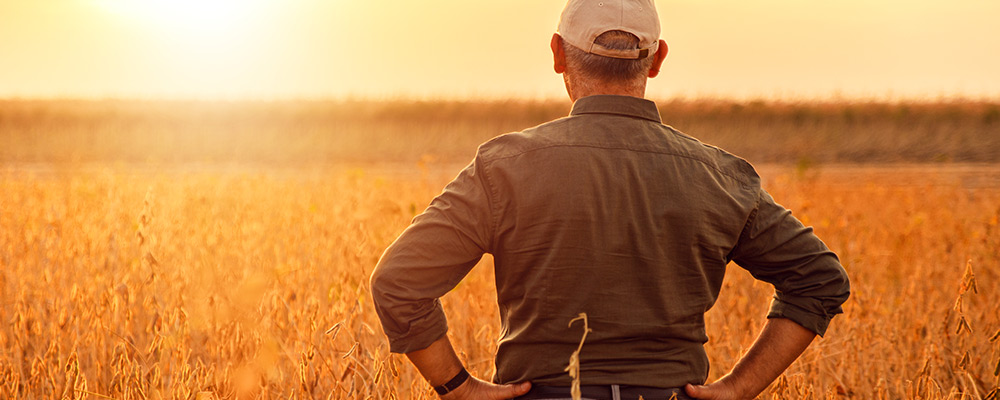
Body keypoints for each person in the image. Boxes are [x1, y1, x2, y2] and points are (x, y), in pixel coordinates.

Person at [369, 0, 851, 399]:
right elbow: (819, 279)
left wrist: (457, 386)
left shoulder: (506, 167)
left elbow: (398, 282)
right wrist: (740, 388)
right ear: (658, 58)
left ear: (558, 54)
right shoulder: (721, 176)